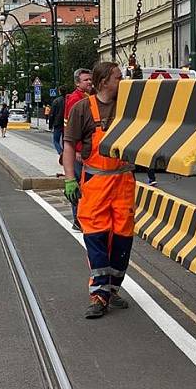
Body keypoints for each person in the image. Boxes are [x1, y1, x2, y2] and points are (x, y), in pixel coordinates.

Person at [63, 62, 136, 319]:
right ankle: (99, 295)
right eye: (118, 77)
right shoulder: (83, 109)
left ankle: (113, 289)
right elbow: (69, 145)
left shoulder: (128, 105)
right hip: (95, 185)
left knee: (122, 240)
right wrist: (70, 179)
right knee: (96, 239)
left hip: (123, 184)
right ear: (104, 81)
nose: (122, 80)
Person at [64, 68, 93, 230]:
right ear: (77, 83)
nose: (89, 82)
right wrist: (77, 150)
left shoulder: (87, 97)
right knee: (78, 184)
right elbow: (72, 130)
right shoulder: (75, 100)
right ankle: (77, 219)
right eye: (86, 80)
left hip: (83, 150)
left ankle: (81, 217)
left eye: (90, 79)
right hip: (78, 151)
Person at [49, 88, 66, 155]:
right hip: (66, 123)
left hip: (57, 123)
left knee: (56, 140)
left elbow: (52, 114)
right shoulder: (69, 100)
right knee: (65, 140)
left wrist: (50, 125)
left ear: (59, 92)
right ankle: (66, 153)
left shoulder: (56, 101)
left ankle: (60, 152)